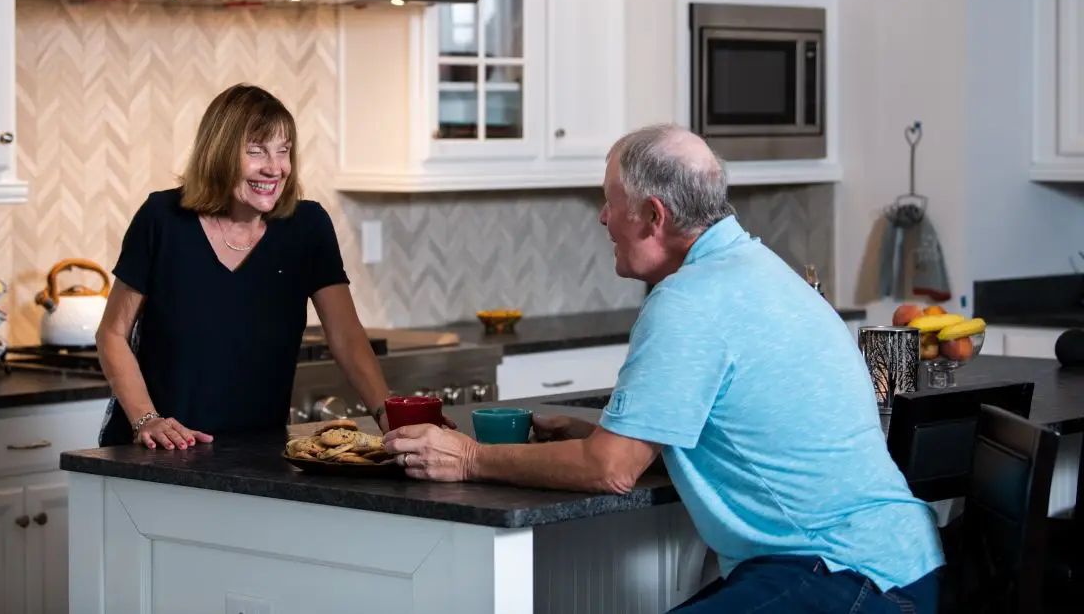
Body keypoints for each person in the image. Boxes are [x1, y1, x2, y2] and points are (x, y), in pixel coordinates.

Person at [384, 124, 944, 613]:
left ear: (654, 215)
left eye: (610, 202)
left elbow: (611, 469)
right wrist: (601, 433)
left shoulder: (688, 300)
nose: (603, 217)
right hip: (899, 565)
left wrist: (468, 457)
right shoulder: (757, 267)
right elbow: (696, 431)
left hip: (843, 575)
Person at [96, 84, 391, 449]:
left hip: (260, 452)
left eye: (284, 152)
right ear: (218, 153)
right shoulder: (162, 220)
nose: (275, 168)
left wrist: (389, 415)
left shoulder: (308, 226)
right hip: (159, 452)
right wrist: (147, 418)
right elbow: (112, 333)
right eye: (256, 151)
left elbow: (346, 336)